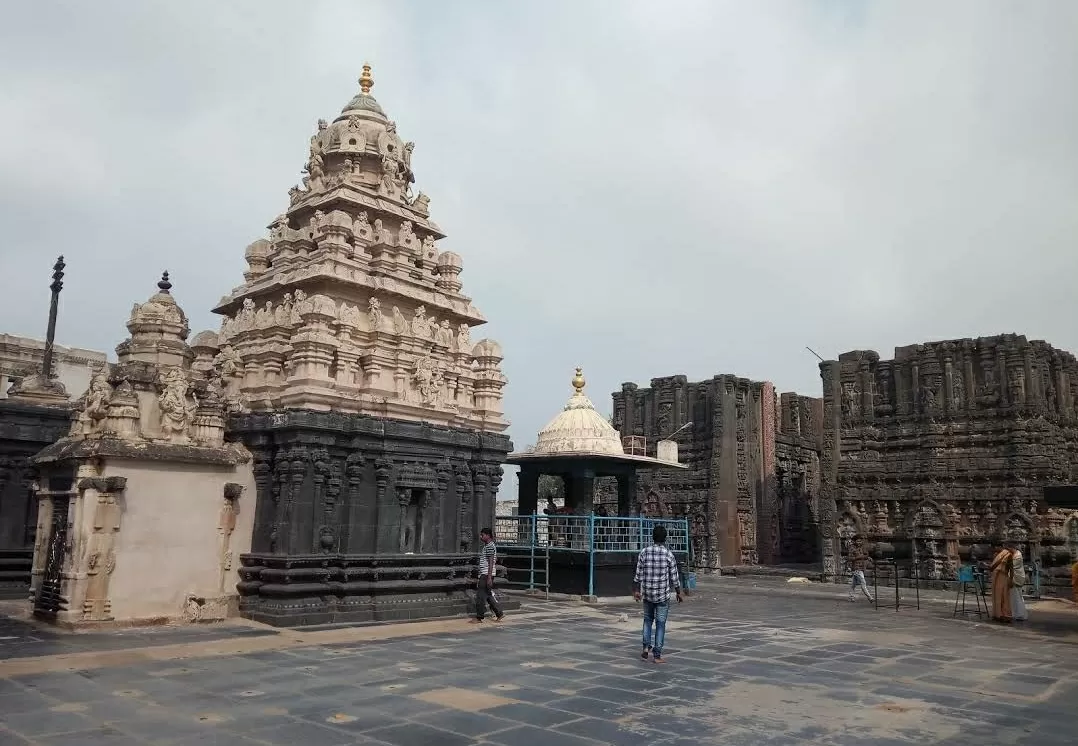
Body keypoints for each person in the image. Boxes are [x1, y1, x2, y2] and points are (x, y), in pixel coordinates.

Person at [633, 524, 682, 664]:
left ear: (652, 537)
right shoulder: (669, 554)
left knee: (647, 620)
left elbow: (638, 574)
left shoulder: (644, 552)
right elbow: (674, 577)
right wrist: (679, 592)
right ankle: (657, 655)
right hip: (662, 595)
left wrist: (637, 590)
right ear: (665, 539)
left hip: (647, 593)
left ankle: (645, 647)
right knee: (660, 624)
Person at [470, 527, 504, 624]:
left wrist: (489, 577)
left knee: (480, 596)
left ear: (488, 536)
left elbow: (491, 562)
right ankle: (499, 613)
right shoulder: (488, 546)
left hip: (486, 574)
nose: (481, 537)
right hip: (485, 573)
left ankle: (479, 617)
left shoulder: (489, 546)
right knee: (488, 595)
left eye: (482, 535)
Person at [988, 542, 1014, 623]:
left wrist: (1011, 579)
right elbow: (992, 566)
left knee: (1004, 596)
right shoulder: (997, 555)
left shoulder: (1008, 555)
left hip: (1004, 577)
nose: (995, 549)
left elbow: (1011, 568)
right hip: (996, 577)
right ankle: (997, 614)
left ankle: (1005, 614)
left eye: (996, 547)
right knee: (996, 596)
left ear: (1000, 546)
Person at [847, 539, 875, 603]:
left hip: (861, 568)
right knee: (863, 582)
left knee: (853, 584)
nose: (859, 543)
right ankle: (870, 597)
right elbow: (849, 558)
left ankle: (851, 597)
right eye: (857, 541)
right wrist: (858, 557)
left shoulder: (862, 548)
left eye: (860, 541)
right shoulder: (852, 548)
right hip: (856, 568)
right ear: (855, 542)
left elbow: (866, 555)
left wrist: (867, 557)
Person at [1008, 541, 1028, 622]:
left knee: (1017, 597)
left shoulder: (1017, 556)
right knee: (1015, 597)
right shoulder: (1015, 555)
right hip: (1015, 577)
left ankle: (1020, 614)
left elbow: (1011, 566)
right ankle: (1016, 613)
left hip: (1016, 578)